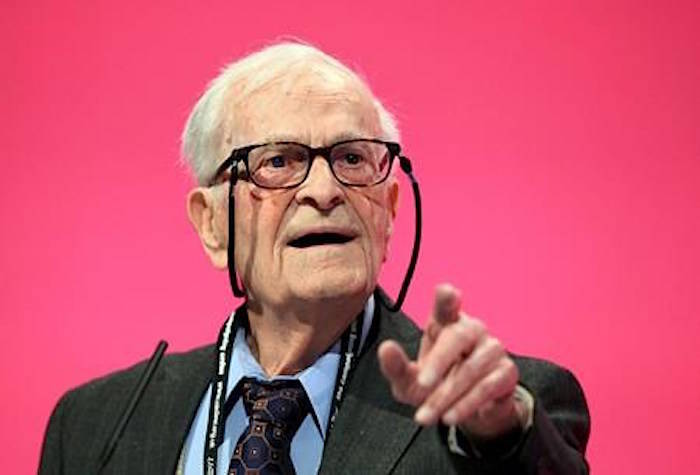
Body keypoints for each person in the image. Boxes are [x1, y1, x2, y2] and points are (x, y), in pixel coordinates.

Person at [39, 42, 590, 474]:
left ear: (389, 208)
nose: (324, 190)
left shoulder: (494, 412)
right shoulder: (95, 424)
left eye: (352, 158)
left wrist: (504, 430)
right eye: (278, 161)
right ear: (212, 224)